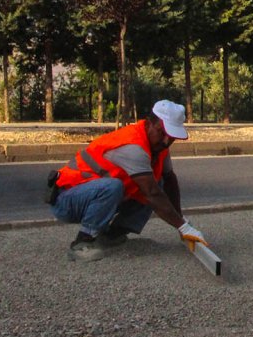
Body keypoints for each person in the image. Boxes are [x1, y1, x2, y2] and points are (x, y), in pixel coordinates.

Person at [50, 99, 208, 262]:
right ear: (149, 124)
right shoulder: (134, 147)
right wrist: (182, 226)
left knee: (156, 181)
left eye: (172, 137)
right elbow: (152, 194)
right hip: (66, 199)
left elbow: (168, 180)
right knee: (120, 187)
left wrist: (182, 221)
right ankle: (82, 242)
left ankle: (111, 236)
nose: (166, 142)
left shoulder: (159, 147)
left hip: (93, 196)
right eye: (162, 133)